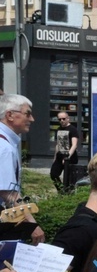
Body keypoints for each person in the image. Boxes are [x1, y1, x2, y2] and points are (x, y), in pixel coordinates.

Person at [0, 94, 44, 245]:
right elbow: (9, 195)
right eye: (27, 113)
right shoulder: (5, 148)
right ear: (10, 115)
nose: (32, 119)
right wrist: (31, 224)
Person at [49, 111, 80, 193]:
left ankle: (68, 192)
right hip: (59, 156)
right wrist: (55, 157)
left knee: (68, 178)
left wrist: (68, 157)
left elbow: (74, 145)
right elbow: (58, 144)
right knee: (53, 174)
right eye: (59, 119)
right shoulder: (59, 129)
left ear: (68, 119)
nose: (62, 121)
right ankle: (61, 191)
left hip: (70, 157)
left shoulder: (73, 130)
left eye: (63, 119)